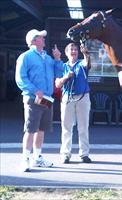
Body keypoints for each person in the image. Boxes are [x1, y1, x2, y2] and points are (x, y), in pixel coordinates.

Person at [15, 29, 62, 172]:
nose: (44, 39)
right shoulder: (25, 57)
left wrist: (57, 59)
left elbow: (59, 74)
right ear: (34, 40)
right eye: (41, 37)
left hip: (47, 99)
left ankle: (37, 158)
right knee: (30, 129)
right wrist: (35, 90)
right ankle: (25, 159)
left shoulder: (48, 58)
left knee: (41, 129)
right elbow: (20, 79)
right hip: (32, 98)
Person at [55, 42, 92, 164]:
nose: (73, 51)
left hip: (83, 97)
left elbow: (87, 63)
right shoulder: (62, 66)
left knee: (83, 127)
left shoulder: (81, 63)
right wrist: (66, 77)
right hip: (67, 97)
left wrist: (86, 54)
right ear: (66, 53)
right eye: (71, 49)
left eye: (75, 49)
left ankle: (84, 154)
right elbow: (57, 84)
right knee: (66, 127)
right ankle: (65, 154)